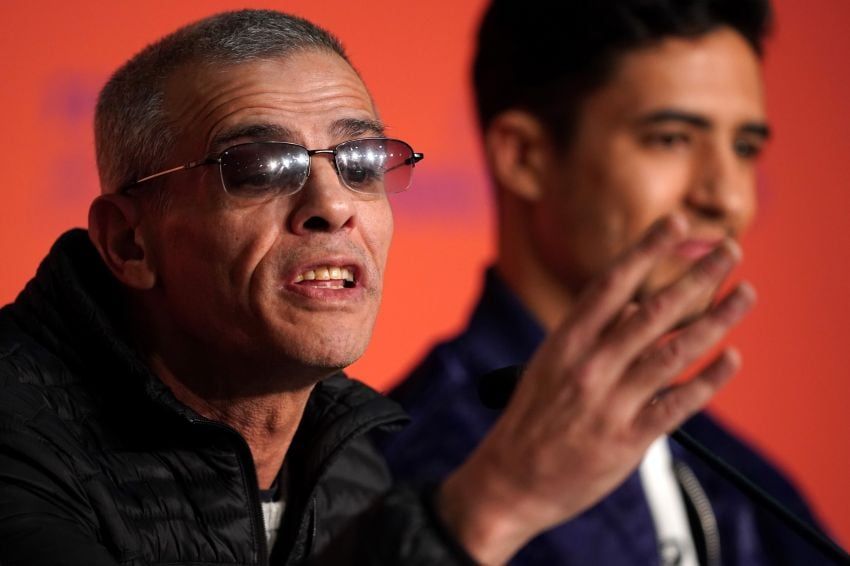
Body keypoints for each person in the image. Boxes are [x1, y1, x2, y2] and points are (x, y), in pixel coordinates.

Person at [0, 8, 757, 566]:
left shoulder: (357, 458)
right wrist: (487, 509)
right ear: (130, 242)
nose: (333, 205)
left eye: (361, 161)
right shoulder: (18, 441)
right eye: (261, 167)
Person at [381, 0, 828, 564]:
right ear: (524, 156)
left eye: (744, 148)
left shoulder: (749, 485)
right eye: (671, 138)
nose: (729, 197)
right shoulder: (397, 474)